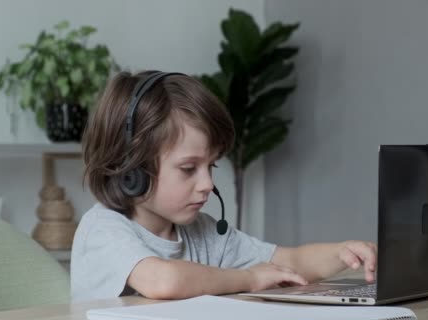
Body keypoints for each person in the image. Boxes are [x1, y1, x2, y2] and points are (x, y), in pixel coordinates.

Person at [70, 70, 376, 301]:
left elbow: (288, 263)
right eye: (189, 169)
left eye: (211, 166)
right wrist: (248, 279)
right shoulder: (103, 229)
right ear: (131, 169)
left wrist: (344, 253)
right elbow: (164, 282)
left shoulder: (204, 233)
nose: (207, 184)